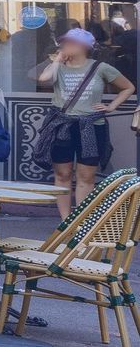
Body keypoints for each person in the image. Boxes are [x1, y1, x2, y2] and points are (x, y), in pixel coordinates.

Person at [39, 25, 133, 212]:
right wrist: (58, 58)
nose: (65, 45)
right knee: (62, 174)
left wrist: (112, 106)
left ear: (84, 47)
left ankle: (80, 222)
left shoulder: (100, 68)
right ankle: (65, 222)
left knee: (86, 176)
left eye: (71, 42)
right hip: (62, 124)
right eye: (64, 41)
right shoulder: (58, 66)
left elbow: (128, 87)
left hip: (90, 125)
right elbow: (44, 79)